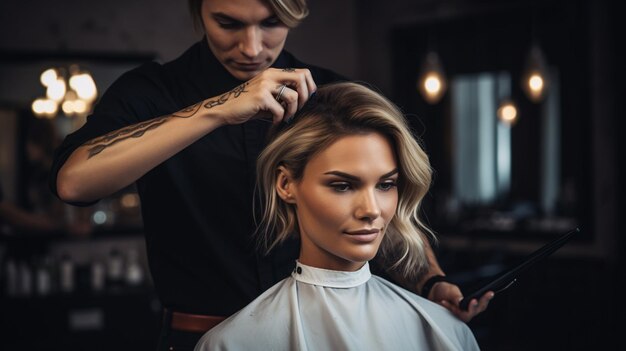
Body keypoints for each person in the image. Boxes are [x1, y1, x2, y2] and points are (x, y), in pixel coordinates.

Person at [50, 0, 491, 348]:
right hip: (201, 337)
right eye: (228, 23)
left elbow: (373, 211)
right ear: (198, 8)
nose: (251, 47)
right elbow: (74, 182)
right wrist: (222, 108)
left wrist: (430, 282)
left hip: (325, 333)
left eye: (271, 23)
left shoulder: (330, 97)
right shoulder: (153, 92)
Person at [195, 82, 480, 350]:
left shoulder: (446, 333)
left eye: (385, 184)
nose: (371, 210)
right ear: (286, 185)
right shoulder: (233, 343)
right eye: (342, 186)